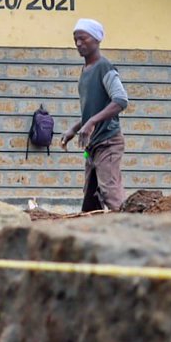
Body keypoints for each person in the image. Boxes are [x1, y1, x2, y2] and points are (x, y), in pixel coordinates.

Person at [61, 18, 129, 212]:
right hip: (93, 146)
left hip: (108, 142)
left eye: (83, 38)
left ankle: (129, 229)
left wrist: (91, 122)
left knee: (110, 192)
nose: (79, 43)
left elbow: (121, 100)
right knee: (91, 199)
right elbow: (93, 110)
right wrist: (74, 129)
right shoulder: (85, 71)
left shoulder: (104, 68)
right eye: (76, 39)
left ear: (97, 39)